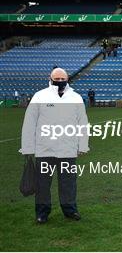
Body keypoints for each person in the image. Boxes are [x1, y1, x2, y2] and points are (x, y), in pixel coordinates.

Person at [20, 68, 89, 224]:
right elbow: (29, 123)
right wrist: (28, 147)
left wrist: (82, 145)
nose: (59, 81)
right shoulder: (40, 96)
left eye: (62, 78)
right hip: (45, 149)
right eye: (56, 78)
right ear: (50, 78)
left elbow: (82, 123)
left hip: (68, 149)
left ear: (67, 79)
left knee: (69, 183)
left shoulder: (75, 97)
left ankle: (70, 210)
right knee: (43, 184)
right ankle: (42, 213)